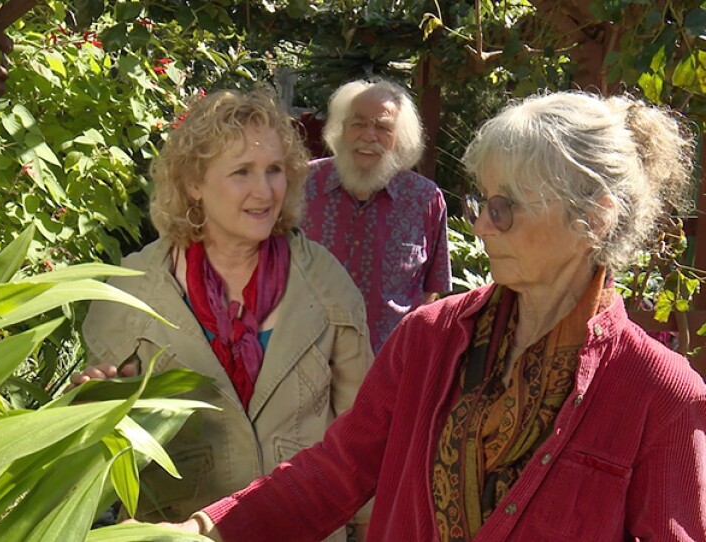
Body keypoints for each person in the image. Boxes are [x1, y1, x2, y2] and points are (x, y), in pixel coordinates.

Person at [161, 91, 706, 541]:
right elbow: (333, 472)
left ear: (593, 216)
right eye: (480, 203)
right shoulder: (431, 338)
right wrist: (206, 529)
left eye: (504, 208)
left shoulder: (658, 392)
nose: (482, 227)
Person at [76, 89, 374, 540]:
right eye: (242, 172)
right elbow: (97, 452)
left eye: (274, 170)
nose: (265, 191)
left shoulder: (324, 280)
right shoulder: (134, 288)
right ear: (194, 183)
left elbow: (363, 434)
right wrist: (96, 403)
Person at [300, 79, 452, 352]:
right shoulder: (301, 184)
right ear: (341, 129)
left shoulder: (424, 199)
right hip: (306, 359)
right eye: (358, 124)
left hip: (390, 368)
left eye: (383, 127)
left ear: (400, 138)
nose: (369, 135)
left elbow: (431, 292)